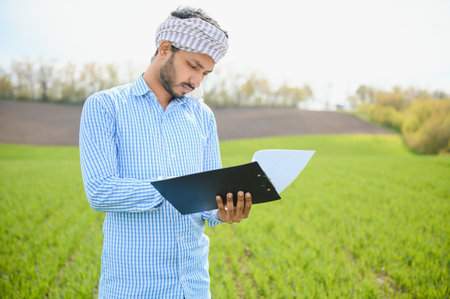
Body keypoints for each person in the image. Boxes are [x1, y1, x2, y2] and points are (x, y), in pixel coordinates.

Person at [79, 6, 252, 298]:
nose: (197, 81)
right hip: (133, 288)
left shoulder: (203, 116)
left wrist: (224, 211)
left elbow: (209, 200)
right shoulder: (105, 107)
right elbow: (100, 191)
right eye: (193, 66)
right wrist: (175, 191)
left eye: (205, 73)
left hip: (194, 286)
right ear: (164, 48)